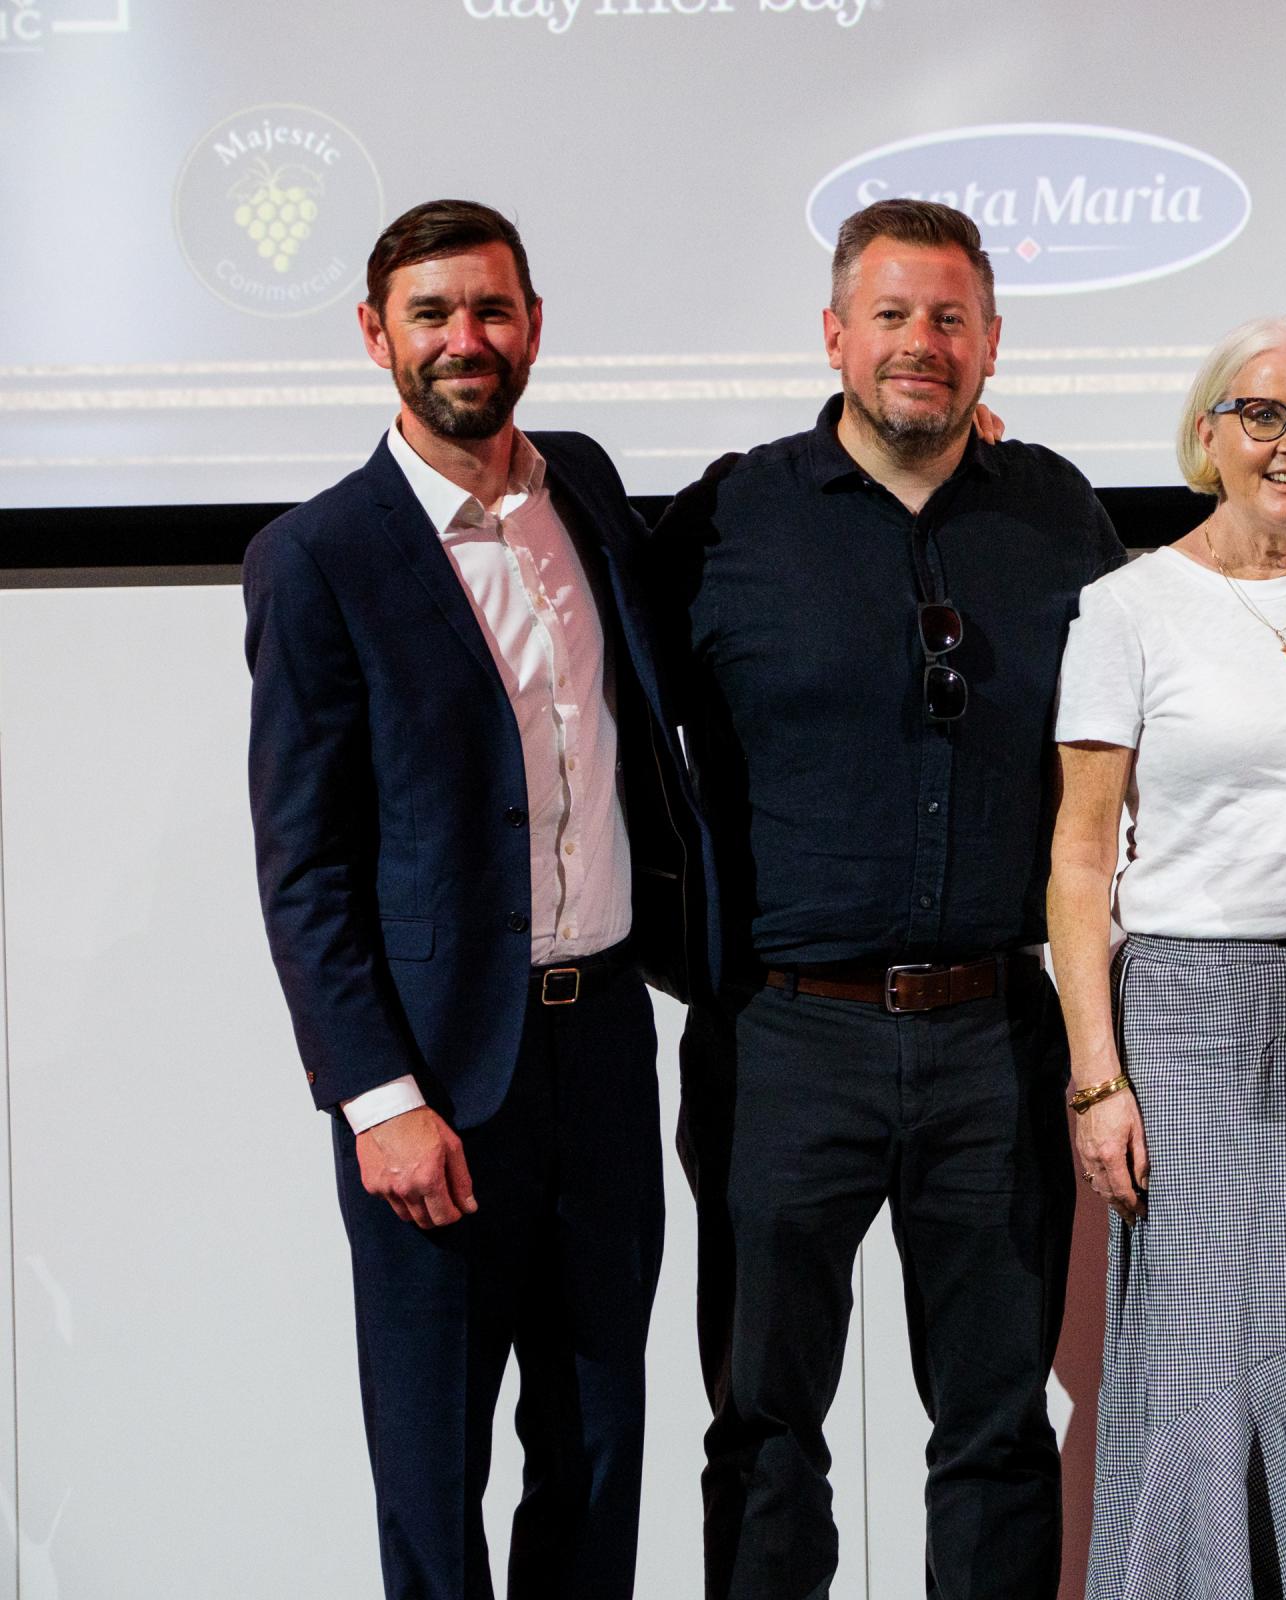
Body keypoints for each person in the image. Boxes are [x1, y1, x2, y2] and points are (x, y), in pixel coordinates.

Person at [645, 197, 1124, 1600]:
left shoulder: (1057, 515)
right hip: (781, 1040)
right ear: (836, 332)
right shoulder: (731, 518)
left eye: (952, 319)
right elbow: (610, 740)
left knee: (994, 1428)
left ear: (991, 343)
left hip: (993, 1037)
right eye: (896, 315)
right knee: (767, 1426)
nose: (924, 343)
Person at [244, 199, 705, 1600]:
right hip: (439, 1081)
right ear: (376, 333)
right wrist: (380, 1100)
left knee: (599, 1447)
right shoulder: (318, 559)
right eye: (433, 314)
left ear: (535, 327)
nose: (466, 340)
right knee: (436, 1476)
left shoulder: (590, 491)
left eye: (492, 311)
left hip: (604, 1053)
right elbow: (304, 864)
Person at [1049, 315, 1286, 1597]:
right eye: (1265, 414)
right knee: (1201, 1364)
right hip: (1191, 1013)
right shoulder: (1128, 607)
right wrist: (1098, 1075)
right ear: (1209, 434)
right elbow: (1081, 859)